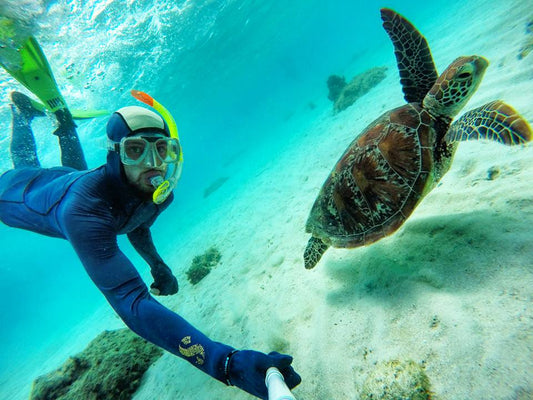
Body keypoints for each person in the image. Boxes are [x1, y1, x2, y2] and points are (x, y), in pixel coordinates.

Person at [0, 36, 301, 399]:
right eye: (136, 150)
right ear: (115, 154)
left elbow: (135, 224)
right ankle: (22, 114)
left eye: (162, 149)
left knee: (70, 170)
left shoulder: (159, 192)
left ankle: (61, 120)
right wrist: (225, 363)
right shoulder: (84, 212)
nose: (153, 163)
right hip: (20, 196)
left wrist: (158, 266)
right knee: (28, 170)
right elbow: (132, 303)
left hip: (73, 184)